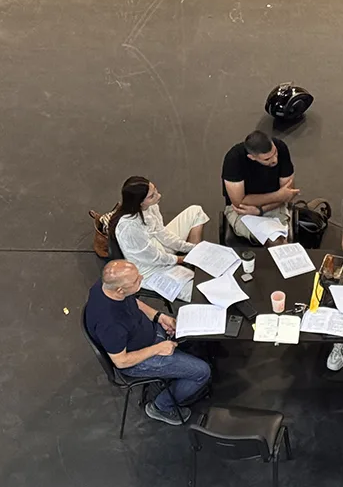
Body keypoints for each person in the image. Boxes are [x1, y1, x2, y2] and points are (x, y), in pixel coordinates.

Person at [84, 260, 212, 425]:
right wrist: (158, 348)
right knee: (202, 372)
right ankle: (161, 407)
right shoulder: (110, 324)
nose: (141, 278)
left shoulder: (106, 286)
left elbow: (133, 302)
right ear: (120, 289)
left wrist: (159, 317)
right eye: (136, 280)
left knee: (191, 331)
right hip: (137, 360)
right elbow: (121, 361)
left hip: (146, 333)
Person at [110, 176, 209, 283]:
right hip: (148, 268)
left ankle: (194, 261)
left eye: (155, 190)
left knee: (196, 211)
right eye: (152, 196)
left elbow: (162, 233)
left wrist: (191, 248)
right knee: (195, 285)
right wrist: (181, 259)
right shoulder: (129, 227)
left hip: (156, 245)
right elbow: (153, 257)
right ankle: (191, 264)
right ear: (140, 202)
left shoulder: (151, 206)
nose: (159, 195)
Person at [221, 130, 298, 245]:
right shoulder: (234, 159)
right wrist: (278, 196)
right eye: (267, 159)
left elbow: (288, 192)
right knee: (273, 240)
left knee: (277, 240)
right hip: (242, 211)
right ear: (252, 157)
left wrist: (261, 209)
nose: (274, 160)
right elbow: (239, 202)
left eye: (275, 153)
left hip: (275, 206)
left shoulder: (281, 147)